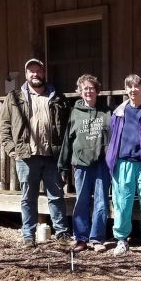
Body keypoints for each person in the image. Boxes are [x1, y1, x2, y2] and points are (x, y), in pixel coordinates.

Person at [0, 58, 70, 248]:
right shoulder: (13, 97)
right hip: (26, 156)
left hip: (51, 156)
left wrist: (64, 152)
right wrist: (11, 149)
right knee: (28, 198)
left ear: (44, 73)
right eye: (31, 71)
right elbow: (4, 126)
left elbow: (66, 127)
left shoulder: (57, 97)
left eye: (38, 70)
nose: (35, 74)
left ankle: (62, 234)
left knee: (56, 196)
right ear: (26, 73)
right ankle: (28, 236)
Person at [106, 74, 141, 256]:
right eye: (129, 87)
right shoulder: (118, 113)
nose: (133, 90)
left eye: (136, 86)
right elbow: (113, 137)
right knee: (122, 203)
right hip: (123, 163)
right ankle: (122, 240)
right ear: (126, 90)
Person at [58, 74, 111, 253]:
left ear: (97, 91)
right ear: (80, 92)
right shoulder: (74, 113)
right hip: (81, 164)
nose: (89, 91)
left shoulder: (106, 112)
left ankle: (97, 239)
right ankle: (81, 238)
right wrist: (63, 165)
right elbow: (67, 140)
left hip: (101, 164)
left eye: (92, 88)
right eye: (85, 88)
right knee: (81, 201)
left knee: (101, 201)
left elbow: (113, 135)